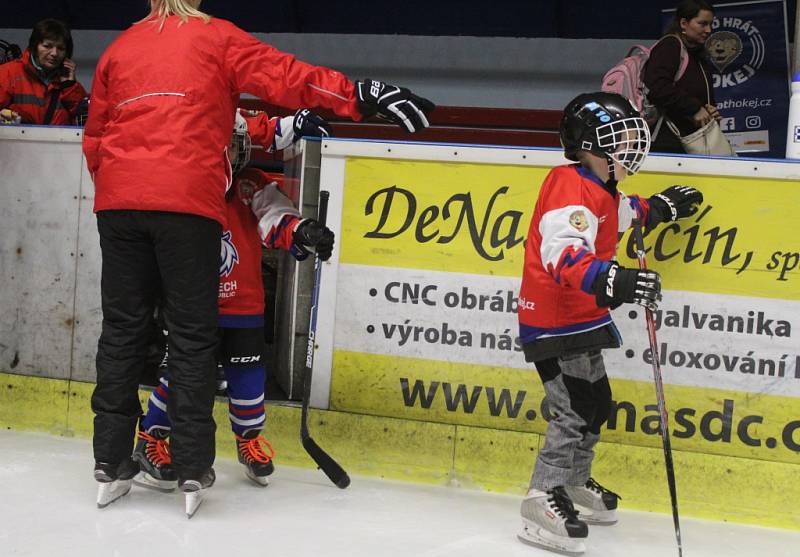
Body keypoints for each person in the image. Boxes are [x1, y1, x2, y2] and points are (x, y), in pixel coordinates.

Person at [84, 0, 434, 514]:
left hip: (119, 203)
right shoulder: (214, 37)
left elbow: (95, 138)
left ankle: (110, 462)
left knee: (121, 329)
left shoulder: (119, 47)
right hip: (185, 200)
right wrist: (358, 96)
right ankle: (190, 466)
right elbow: (284, 77)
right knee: (192, 332)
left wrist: (121, 189)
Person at [516, 91, 703, 555]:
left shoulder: (602, 188)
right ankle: (544, 494)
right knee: (574, 409)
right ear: (588, 145)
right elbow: (562, 252)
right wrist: (615, 278)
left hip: (583, 319)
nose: (629, 146)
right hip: (555, 321)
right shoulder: (568, 185)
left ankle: (574, 482)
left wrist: (658, 209)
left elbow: (620, 215)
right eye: (618, 138)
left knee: (596, 403)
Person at [132, 109, 334, 501]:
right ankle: (151, 437)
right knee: (181, 376)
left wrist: (303, 230)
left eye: (233, 145)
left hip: (243, 308)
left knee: (248, 381)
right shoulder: (182, 185)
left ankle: (248, 438)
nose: (226, 152)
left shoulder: (248, 185)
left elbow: (274, 214)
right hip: (193, 309)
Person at [643, 0, 720, 153]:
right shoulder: (670, 46)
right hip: (667, 141)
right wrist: (694, 108)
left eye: (711, 24)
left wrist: (709, 109)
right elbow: (657, 87)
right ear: (684, 23)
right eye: (702, 24)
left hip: (692, 139)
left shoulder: (697, 54)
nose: (709, 30)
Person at [0, 19, 87, 125]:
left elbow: (87, 122)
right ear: (34, 46)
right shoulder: (8, 73)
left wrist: (70, 86)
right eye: (47, 46)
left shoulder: (70, 84)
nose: (54, 53)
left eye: (60, 48)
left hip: (58, 141)